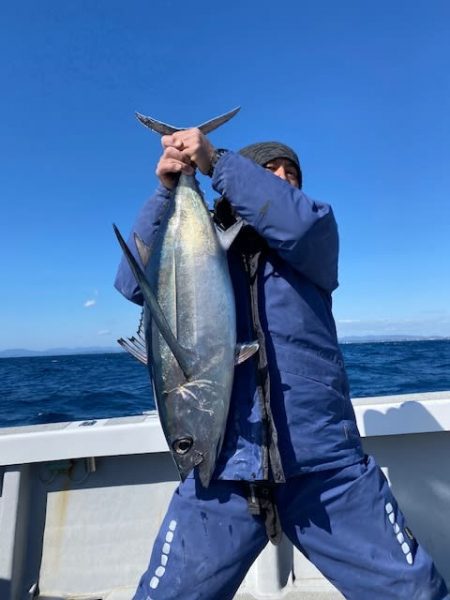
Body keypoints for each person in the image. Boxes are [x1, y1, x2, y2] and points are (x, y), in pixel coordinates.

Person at [115, 129, 449, 599]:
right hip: (222, 470)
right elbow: (133, 283)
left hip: (326, 468)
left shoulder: (315, 239)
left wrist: (220, 162)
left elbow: (299, 224)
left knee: (415, 594)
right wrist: (166, 192)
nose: (282, 179)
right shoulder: (204, 252)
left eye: (291, 174)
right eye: (268, 170)